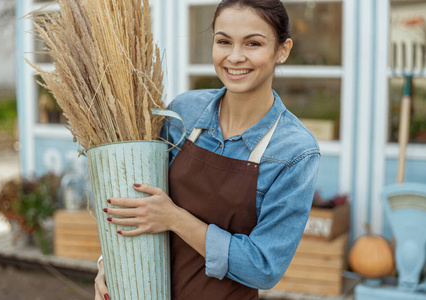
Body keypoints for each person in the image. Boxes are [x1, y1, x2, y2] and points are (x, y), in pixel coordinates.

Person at [95, 0, 320, 299]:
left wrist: (175, 218)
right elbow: (136, 200)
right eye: (224, 41)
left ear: (283, 50)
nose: (235, 57)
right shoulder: (183, 113)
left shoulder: (294, 152)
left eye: (253, 43)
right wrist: (108, 265)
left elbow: (264, 267)